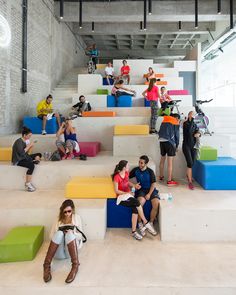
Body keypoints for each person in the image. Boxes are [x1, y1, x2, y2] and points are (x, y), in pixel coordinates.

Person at [112, 160, 156, 240]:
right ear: (124, 168)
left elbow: (127, 182)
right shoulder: (116, 177)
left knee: (135, 208)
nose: (129, 167)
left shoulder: (126, 174)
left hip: (128, 195)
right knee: (137, 202)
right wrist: (126, 193)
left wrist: (134, 185)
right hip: (121, 198)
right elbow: (116, 191)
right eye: (128, 166)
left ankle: (134, 232)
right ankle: (146, 222)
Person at [43, 199, 83, 284]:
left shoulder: (77, 218)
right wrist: (61, 234)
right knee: (59, 233)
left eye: (69, 211)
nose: (67, 214)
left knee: (70, 235)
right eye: (65, 212)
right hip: (59, 253)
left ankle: (75, 266)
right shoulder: (58, 219)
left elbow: (81, 236)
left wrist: (72, 233)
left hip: (70, 252)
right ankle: (46, 265)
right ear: (62, 211)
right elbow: (51, 236)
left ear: (72, 210)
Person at [129, 155, 159, 235]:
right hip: (141, 190)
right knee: (139, 203)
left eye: (142, 163)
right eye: (139, 162)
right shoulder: (136, 170)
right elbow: (126, 178)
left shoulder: (150, 171)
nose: (140, 164)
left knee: (156, 203)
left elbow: (153, 184)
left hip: (151, 190)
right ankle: (140, 223)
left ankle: (151, 222)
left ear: (146, 164)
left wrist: (149, 194)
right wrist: (133, 185)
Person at [11, 126, 42, 192]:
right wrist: (29, 145)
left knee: (39, 154)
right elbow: (22, 153)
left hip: (24, 157)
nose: (30, 137)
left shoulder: (25, 141)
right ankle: (28, 184)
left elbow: (27, 153)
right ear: (24, 135)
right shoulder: (18, 142)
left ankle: (34, 161)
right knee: (31, 166)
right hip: (18, 160)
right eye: (29, 135)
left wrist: (31, 147)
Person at [158, 113, 180, 186]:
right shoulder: (175, 122)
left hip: (161, 141)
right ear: (176, 118)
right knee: (170, 163)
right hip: (170, 142)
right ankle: (169, 180)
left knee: (162, 159)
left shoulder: (164, 121)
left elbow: (159, 132)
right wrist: (177, 145)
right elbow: (177, 134)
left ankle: (161, 176)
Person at [182, 111, 201, 190]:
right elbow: (189, 131)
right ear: (189, 115)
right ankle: (190, 181)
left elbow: (198, 131)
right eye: (192, 114)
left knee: (192, 163)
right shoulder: (185, 124)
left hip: (193, 146)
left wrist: (199, 134)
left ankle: (188, 175)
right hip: (186, 145)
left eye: (194, 115)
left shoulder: (195, 124)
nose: (193, 116)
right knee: (189, 163)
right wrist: (191, 119)